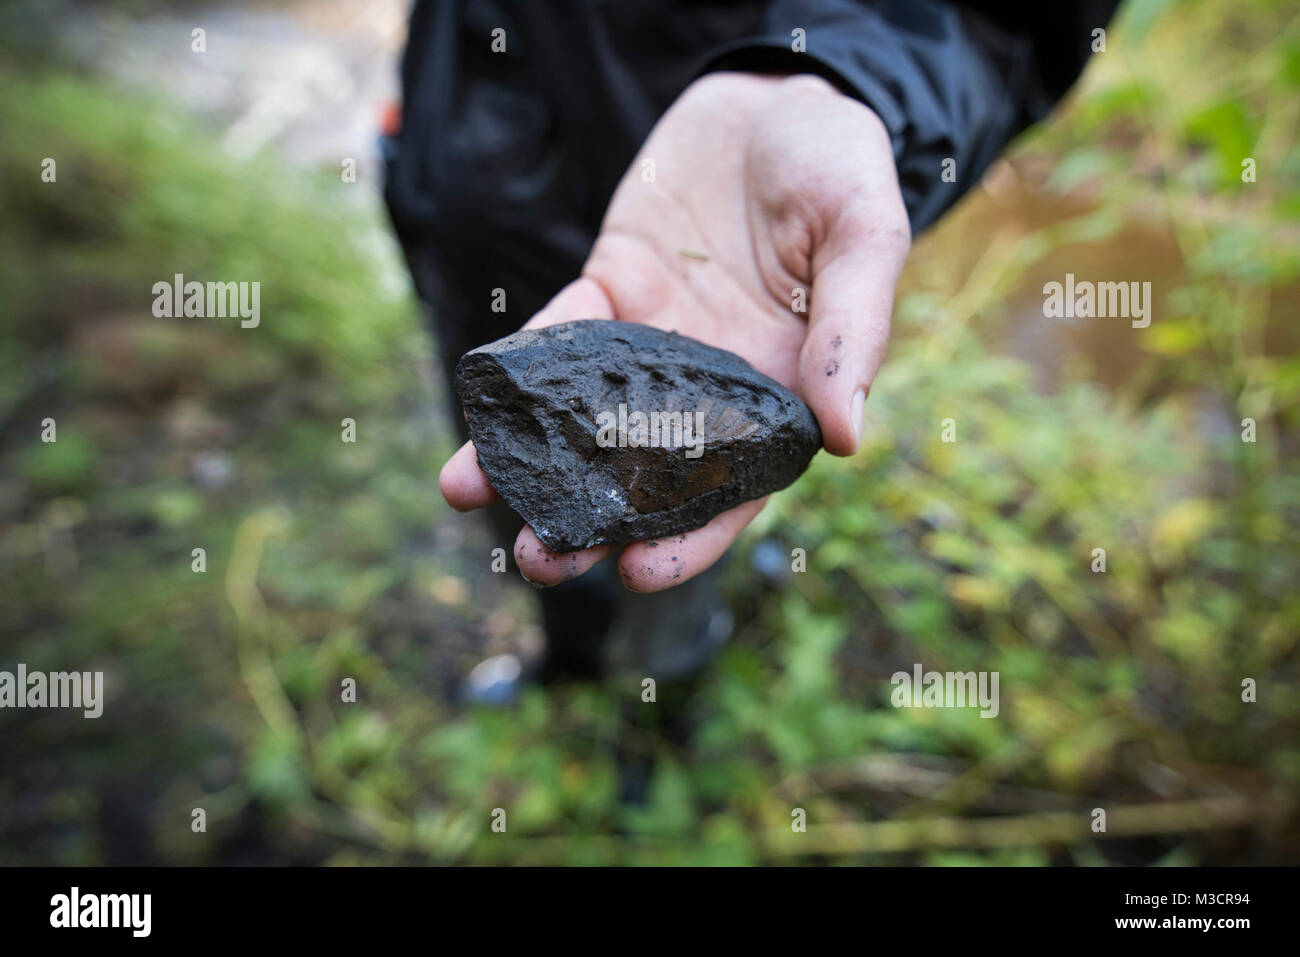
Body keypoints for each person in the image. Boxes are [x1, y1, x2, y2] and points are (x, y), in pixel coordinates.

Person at [382, 0, 1119, 741]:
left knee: (665, 580)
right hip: (465, 207)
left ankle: (656, 727)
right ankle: (569, 662)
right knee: (529, 531)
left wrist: (841, 71)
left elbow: (998, 21)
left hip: (711, 202)